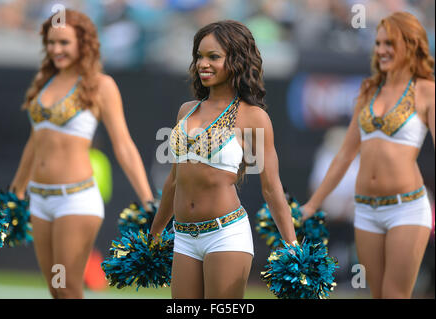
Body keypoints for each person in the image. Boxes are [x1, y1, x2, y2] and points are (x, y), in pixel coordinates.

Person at [9, 9, 154, 299]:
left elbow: (123, 145)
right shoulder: (43, 81)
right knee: (55, 288)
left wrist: (148, 200)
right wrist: (17, 192)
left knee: (67, 287)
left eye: (64, 42)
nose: (56, 49)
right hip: (40, 199)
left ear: (83, 43)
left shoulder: (101, 85)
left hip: (74, 199)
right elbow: (34, 142)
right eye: (51, 42)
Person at [150, 20, 298, 299]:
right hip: (183, 236)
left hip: (225, 234)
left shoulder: (253, 117)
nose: (203, 64)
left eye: (214, 57)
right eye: (199, 57)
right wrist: (155, 233)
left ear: (237, 60)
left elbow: (271, 188)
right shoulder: (186, 111)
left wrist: (292, 246)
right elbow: (173, 181)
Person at [301, 12, 435, 299]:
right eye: (378, 43)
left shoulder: (426, 92)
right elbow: (344, 156)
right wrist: (312, 205)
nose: (382, 50)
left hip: (407, 207)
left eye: (391, 43)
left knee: (395, 295)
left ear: (411, 45)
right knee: (377, 295)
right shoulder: (368, 91)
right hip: (365, 210)